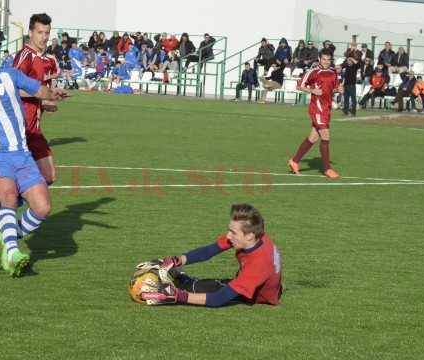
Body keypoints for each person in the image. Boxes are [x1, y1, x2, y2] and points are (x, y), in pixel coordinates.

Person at [0, 38, 69, 275]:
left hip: (23, 155)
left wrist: (52, 93)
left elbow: (37, 88)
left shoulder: (9, 75)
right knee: (7, 195)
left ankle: (9, 237)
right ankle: (11, 253)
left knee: (43, 207)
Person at [0, 13, 61, 246]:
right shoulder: (25, 56)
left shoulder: (41, 58)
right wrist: (38, 95)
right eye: (40, 32)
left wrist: (42, 101)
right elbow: (10, 88)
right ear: (30, 33)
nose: (44, 37)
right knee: (12, 183)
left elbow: (31, 90)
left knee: (48, 176)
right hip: (18, 132)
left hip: (33, 127)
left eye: (47, 33)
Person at [138, 204, 283, 308]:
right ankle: (176, 268)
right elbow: (208, 251)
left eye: (233, 232)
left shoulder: (257, 267)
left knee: (192, 287)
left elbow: (217, 300)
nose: (228, 235)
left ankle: (178, 274)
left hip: (255, 295)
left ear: (250, 235)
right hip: (259, 280)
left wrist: (177, 297)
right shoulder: (258, 236)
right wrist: (177, 259)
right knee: (197, 286)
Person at [288, 48, 343, 179]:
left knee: (313, 137)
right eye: (324, 59)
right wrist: (312, 90)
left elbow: (332, 89)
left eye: (328, 60)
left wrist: (338, 89)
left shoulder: (332, 72)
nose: (326, 62)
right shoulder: (313, 72)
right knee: (326, 136)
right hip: (317, 108)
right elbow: (299, 86)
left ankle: (294, 161)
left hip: (327, 109)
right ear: (319, 59)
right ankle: (327, 169)